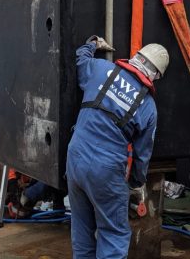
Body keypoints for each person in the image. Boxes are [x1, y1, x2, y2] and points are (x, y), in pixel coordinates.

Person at [66, 36, 169, 259]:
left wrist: (92, 43)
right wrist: (135, 185)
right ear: (156, 75)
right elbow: (142, 156)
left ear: (137, 57)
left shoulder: (102, 69)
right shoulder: (148, 107)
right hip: (105, 168)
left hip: (75, 156)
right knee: (114, 233)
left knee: (82, 229)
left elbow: (81, 59)